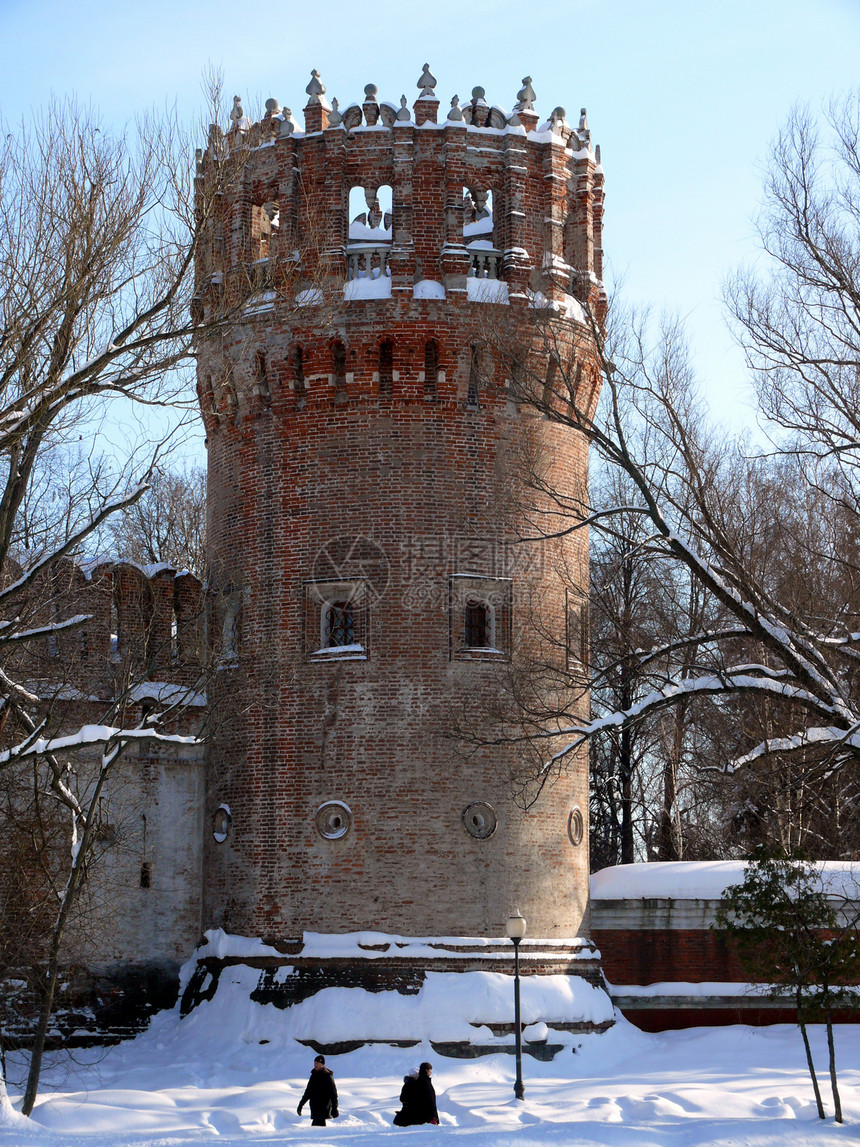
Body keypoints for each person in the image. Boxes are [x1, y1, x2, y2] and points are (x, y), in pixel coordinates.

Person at [297, 1054, 339, 1127]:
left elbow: (333, 1094)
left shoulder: (327, 1076)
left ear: (322, 1065)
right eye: (315, 1063)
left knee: (317, 1128)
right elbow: (308, 1092)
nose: (315, 1065)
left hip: (323, 1107)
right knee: (317, 1128)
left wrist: (334, 1108)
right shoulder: (313, 1075)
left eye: (318, 1063)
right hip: (314, 1107)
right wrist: (301, 1105)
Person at [393, 1061, 438, 1126]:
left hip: (406, 1115)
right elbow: (429, 1101)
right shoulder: (419, 1084)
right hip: (415, 1116)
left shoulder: (408, 1084)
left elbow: (402, 1098)